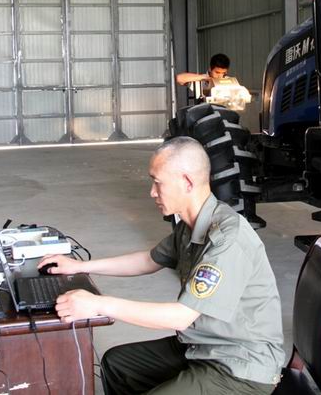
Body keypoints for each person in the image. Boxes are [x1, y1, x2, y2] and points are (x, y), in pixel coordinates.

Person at [38, 137, 284, 395]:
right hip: (202, 345)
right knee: (118, 365)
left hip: (239, 366)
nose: (152, 192)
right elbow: (148, 260)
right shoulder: (191, 226)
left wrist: (98, 304)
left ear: (187, 182)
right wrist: (79, 267)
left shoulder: (227, 239)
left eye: (158, 182)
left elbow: (180, 316)